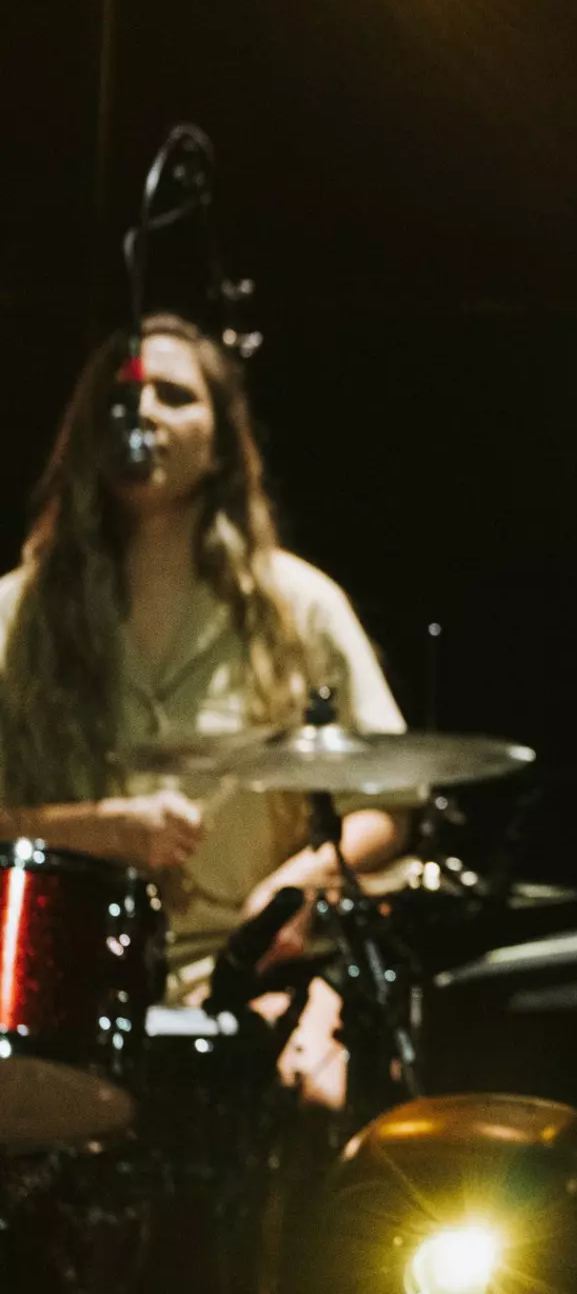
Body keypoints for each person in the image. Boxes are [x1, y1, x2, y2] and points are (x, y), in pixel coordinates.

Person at [0, 312, 411, 1108]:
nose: (143, 413)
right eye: (122, 399)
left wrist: (296, 891)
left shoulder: (301, 605)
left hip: (259, 972)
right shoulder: (13, 618)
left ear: (221, 442)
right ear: (86, 432)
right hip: (52, 984)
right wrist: (94, 829)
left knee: (326, 1110)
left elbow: (386, 804)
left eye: (173, 394)